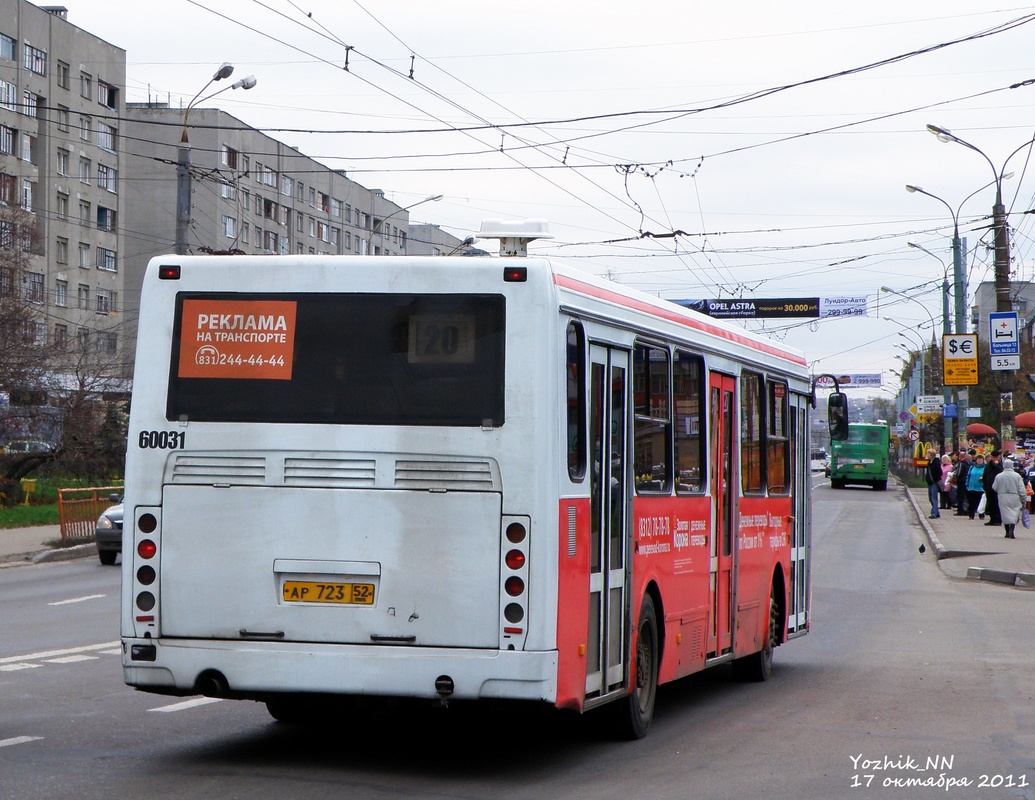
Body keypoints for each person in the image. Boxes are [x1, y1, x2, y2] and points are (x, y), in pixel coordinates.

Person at [992, 457, 1026, 539]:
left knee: (1005, 513)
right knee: (1014, 512)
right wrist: (1023, 499)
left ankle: (1007, 531)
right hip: (1015, 496)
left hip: (1002, 496)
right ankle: (1012, 529)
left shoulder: (999, 476)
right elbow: (1021, 489)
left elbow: (994, 487)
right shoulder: (1017, 476)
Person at [983, 449, 1004, 527]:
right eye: (993, 457)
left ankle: (998, 520)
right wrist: (985, 487)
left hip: (998, 489)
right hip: (989, 488)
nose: (994, 459)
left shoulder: (1000, 465)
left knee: (997, 504)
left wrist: (997, 465)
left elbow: (1001, 473)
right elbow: (985, 476)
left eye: (996, 457)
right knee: (990, 504)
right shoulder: (988, 465)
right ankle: (992, 519)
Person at [966, 453, 986, 520]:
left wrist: (983, 478)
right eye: (978, 460)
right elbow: (968, 476)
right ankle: (971, 515)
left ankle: (981, 514)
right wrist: (967, 484)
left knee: (980, 502)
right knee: (971, 502)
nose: (979, 461)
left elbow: (987, 476)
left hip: (980, 487)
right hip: (972, 487)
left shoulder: (985, 468)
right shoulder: (972, 467)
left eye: (981, 460)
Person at [954, 450, 974, 516]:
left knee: (960, 496)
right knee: (966, 496)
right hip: (967, 480)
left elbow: (959, 473)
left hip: (961, 481)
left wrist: (955, 476)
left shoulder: (961, 462)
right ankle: (966, 509)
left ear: (960, 457)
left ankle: (961, 510)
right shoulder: (970, 462)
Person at [924, 449, 942, 519]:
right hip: (930, 483)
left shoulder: (936, 463)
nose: (927, 455)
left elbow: (940, 473)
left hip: (934, 483)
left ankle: (934, 513)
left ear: (931, 455)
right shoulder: (929, 462)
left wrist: (934, 479)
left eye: (927, 454)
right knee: (930, 498)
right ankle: (937, 512)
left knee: (934, 498)